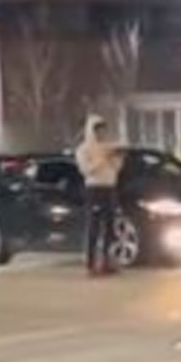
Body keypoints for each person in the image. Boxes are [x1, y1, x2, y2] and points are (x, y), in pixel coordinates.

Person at [76, 115, 125, 277]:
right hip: (94, 189)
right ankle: (91, 264)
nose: (101, 133)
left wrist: (117, 159)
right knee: (94, 227)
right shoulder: (84, 149)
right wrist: (102, 159)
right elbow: (86, 170)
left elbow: (115, 170)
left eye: (103, 130)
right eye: (97, 130)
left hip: (109, 189)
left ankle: (106, 261)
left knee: (110, 227)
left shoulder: (107, 148)